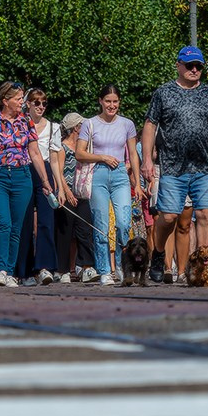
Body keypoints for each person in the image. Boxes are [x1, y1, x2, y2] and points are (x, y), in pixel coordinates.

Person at [140, 46, 208, 285]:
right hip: (172, 166)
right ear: (178, 65)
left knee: (205, 214)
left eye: (199, 66)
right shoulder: (164, 92)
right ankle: (159, 253)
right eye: (190, 65)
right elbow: (150, 125)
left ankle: (204, 268)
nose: (194, 69)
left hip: (203, 167)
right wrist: (147, 159)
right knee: (169, 216)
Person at [0, 82, 54, 287]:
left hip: (22, 176)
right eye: (18, 99)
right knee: (3, 223)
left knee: (16, 227)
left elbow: (35, 153)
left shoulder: (26, 122)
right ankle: (1, 270)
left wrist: (45, 181)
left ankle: (10, 272)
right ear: (6, 100)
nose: (22, 102)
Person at [78, 83, 143, 286]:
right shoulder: (89, 123)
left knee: (124, 223)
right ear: (100, 101)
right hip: (98, 174)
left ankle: (124, 267)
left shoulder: (127, 124)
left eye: (115, 101)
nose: (111, 105)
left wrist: (137, 183)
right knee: (101, 225)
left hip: (120, 176)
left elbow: (133, 154)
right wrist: (102, 157)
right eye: (108, 101)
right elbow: (79, 153)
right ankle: (104, 270)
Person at [18, 88, 65, 284]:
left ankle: (45, 267)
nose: (41, 107)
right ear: (27, 104)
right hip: (24, 169)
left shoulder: (53, 127)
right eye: (36, 103)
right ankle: (24, 271)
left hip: (44, 170)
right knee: (25, 222)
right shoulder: (19, 124)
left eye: (44, 103)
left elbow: (54, 160)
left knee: (46, 221)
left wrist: (59, 186)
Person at [55, 112, 97, 283]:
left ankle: (87, 266)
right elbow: (59, 172)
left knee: (85, 230)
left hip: (82, 192)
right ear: (76, 128)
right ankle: (63, 269)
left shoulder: (84, 147)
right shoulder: (62, 147)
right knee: (65, 232)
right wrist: (67, 191)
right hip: (67, 194)